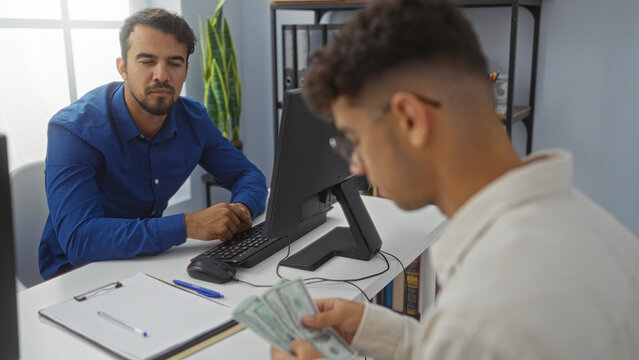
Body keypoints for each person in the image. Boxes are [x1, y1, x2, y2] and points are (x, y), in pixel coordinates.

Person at [271, 0, 639, 358]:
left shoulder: (485, 317)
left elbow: (478, 340)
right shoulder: (600, 232)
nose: (356, 167)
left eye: (355, 141)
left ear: (410, 121)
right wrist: (379, 331)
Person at [39, 8, 267, 279]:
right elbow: (80, 241)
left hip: (146, 265)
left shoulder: (193, 119)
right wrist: (188, 225)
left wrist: (241, 210)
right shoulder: (73, 130)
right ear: (123, 67)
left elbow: (248, 175)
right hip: (75, 276)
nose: (161, 75)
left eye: (174, 63)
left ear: (185, 70)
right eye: (147, 61)